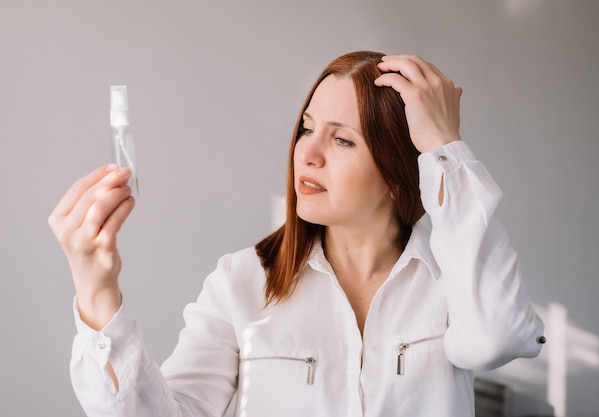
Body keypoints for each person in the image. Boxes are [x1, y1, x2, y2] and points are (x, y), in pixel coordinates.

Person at [48, 51, 545, 417]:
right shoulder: (241, 283)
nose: (307, 153)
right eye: (307, 128)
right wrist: (97, 291)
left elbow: (497, 339)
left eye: (343, 139)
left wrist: (444, 147)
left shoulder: (454, 282)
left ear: (398, 176)